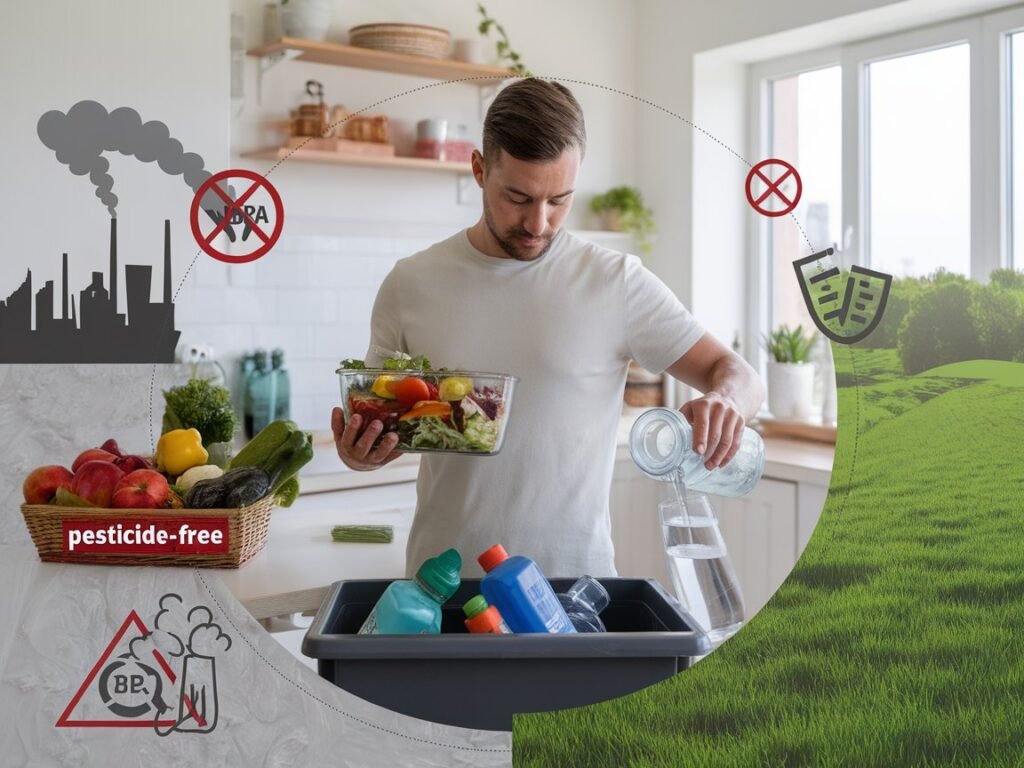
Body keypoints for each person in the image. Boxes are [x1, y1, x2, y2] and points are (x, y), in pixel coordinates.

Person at [332, 78, 764, 578]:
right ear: (478, 170)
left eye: (559, 200)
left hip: (573, 592)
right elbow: (384, 422)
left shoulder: (614, 282)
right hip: (440, 590)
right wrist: (363, 453)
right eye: (518, 197)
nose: (539, 223)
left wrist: (728, 401)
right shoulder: (410, 284)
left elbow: (738, 373)